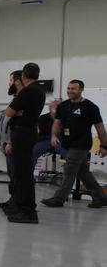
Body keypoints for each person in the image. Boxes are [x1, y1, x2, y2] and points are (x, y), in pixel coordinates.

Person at [41, 79, 107, 209]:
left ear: (81, 90)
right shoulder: (63, 106)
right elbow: (58, 123)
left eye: (73, 89)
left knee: (69, 168)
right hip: (68, 143)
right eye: (69, 88)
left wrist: (104, 145)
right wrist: (54, 135)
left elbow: (100, 128)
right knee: (83, 172)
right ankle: (100, 198)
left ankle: (59, 198)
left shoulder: (90, 107)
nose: (70, 91)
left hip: (82, 144)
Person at [3, 61, 45, 223]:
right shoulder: (39, 91)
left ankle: (28, 211)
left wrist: (17, 111)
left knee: (23, 173)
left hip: (23, 133)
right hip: (28, 132)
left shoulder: (28, 92)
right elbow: (15, 111)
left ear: (23, 76)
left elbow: (8, 112)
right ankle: (20, 206)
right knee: (22, 173)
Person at [0, 70, 23, 210]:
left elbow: (18, 124)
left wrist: (10, 142)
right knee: (12, 174)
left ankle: (17, 201)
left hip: (13, 142)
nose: (9, 83)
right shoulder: (16, 97)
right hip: (8, 142)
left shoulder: (22, 98)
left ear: (18, 81)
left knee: (16, 174)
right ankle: (13, 199)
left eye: (11, 80)